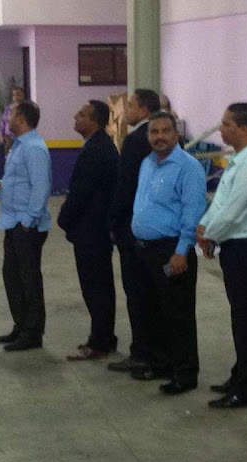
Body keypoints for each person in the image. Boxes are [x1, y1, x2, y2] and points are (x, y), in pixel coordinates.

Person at [198, 103, 247, 408]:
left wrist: (210, 234)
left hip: (246, 249)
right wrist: (206, 225)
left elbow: (234, 211)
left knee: (245, 320)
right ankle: (239, 374)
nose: (221, 129)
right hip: (233, 245)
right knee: (239, 317)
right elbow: (221, 202)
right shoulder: (239, 158)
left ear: (243, 129)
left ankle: (246, 389)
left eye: (226, 124)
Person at [130, 111, 206, 395]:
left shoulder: (188, 168)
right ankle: (162, 363)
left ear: (176, 135)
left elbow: (192, 211)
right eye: (154, 132)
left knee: (178, 315)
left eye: (165, 131)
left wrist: (182, 251)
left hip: (171, 251)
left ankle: (185, 373)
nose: (159, 137)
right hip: (145, 250)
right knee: (154, 311)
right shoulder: (147, 163)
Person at [58, 101, 120, 360]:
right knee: (98, 286)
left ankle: (100, 341)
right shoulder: (99, 145)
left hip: (93, 231)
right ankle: (103, 337)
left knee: (96, 287)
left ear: (94, 121)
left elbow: (81, 193)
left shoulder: (97, 150)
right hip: (94, 230)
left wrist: (64, 219)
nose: (76, 116)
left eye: (81, 114)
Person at [0, 100, 52, 351]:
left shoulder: (34, 148)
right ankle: (21, 325)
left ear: (22, 118)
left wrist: (29, 221)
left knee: (29, 280)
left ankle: (33, 333)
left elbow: (41, 187)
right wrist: (0, 185)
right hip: (12, 221)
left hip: (26, 225)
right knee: (12, 276)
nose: (7, 118)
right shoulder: (18, 146)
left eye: (12, 114)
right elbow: (19, 181)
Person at [108, 88, 161, 373]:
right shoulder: (160, 143)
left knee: (138, 294)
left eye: (130, 105)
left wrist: (114, 221)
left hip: (132, 226)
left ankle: (141, 352)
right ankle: (155, 351)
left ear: (143, 110)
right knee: (151, 294)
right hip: (152, 228)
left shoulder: (135, 141)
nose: (126, 110)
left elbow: (126, 185)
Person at [0, 87, 26, 155]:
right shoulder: (8, 108)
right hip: (8, 137)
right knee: (9, 156)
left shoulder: (25, 108)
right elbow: (3, 123)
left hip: (20, 138)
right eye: (14, 95)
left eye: (18, 94)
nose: (16, 97)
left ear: (23, 95)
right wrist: (1, 136)